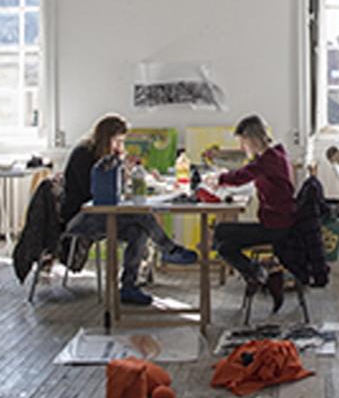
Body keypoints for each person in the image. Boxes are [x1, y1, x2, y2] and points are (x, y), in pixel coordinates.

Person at [61, 114, 197, 306]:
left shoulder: (105, 156)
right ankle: (168, 248)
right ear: (106, 137)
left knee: (138, 231)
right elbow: (95, 194)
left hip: (102, 214)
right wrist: (118, 171)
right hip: (81, 217)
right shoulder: (83, 154)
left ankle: (128, 287)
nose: (120, 145)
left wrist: (125, 171)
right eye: (118, 141)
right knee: (140, 215)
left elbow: (112, 194)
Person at [208, 115, 296, 311]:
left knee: (221, 232)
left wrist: (218, 179)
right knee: (224, 244)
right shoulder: (276, 154)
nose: (241, 147)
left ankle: (259, 275)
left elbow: (242, 175)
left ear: (253, 138)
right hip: (278, 222)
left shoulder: (269, 159)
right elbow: (250, 172)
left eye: (242, 141)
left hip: (276, 226)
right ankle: (261, 275)